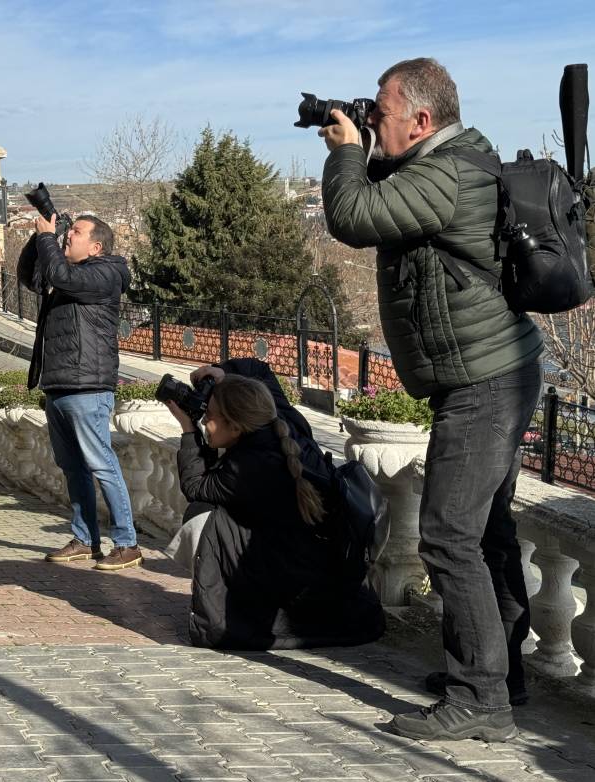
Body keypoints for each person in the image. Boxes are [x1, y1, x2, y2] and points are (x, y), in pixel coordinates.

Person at [319, 58, 544, 741]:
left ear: (421, 120)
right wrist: (363, 137)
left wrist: (347, 155)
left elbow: (354, 215)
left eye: (383, 113)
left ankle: (481, 697)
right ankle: (499, 674)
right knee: (488, 532)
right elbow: (387, 192)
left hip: (485, 381)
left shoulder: (445, 173)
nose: (374, 123)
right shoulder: (448, 162)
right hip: (492, 371)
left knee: (447, 534)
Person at [166, 358, 385, 650]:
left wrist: (187, 429)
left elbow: (195, 487)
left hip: (301, 579)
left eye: (211, 416)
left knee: (205, 517)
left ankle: (245, 606)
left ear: (235, 427)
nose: (205, 420)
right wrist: (220, 373)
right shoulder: (284, 421)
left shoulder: (249, 465)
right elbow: (260, 370)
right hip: (324, 564)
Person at [17, 213, 142, 570]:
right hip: (59, 383)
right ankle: (86, 539)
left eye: (76, 232)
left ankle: (127, 543)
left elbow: (60, 275)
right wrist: (41, 235)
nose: (69, 236)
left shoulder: (105, 274)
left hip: (88, 386)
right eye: (69, 231)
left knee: (101, 464)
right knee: (73, 467)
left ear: (97, 246)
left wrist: (48, 239)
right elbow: (32, 275)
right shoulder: (68, 275)